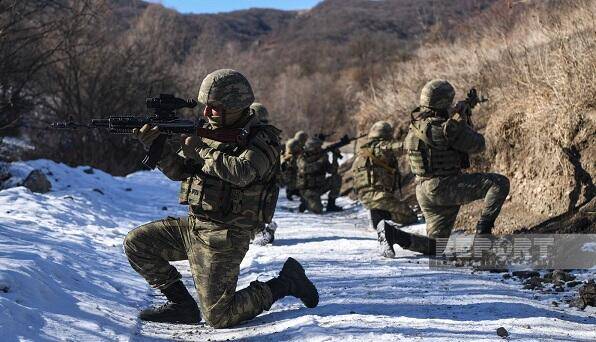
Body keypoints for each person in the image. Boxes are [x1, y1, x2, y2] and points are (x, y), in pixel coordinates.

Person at [124, 69, 318, 328]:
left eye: (214, 108)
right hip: (194, 227)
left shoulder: (263, 139)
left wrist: (201, 150)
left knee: (220, 317)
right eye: (206, 107)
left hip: (226, 235)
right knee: (137, 243)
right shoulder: (207, 131)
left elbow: (244, 173)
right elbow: (181, 171)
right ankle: (181, 305)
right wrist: (155, 148)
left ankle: (286, 282)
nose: (206, 114)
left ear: (236, 106)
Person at [386, 79, 510, 255]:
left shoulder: (414, 128)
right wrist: (463, 121)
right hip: (444, 187)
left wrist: (457, 116)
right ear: (443, 102)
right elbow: (479, 145)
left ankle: (394, 235)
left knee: (435, 246)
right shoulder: (445, 129)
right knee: (499, 183)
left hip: (423, 190)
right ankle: (483, 239)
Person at [352, 120, 418, 258]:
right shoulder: (381, 147)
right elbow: (398, 147)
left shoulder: (363, 151)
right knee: (411, 217)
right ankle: (384, 222)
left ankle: (379, 217)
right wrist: (415, 138)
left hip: (365, 196)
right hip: (379, 196)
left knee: (383, 209)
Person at [296, 137, 343, 214]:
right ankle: (305, 203)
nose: (320, 149)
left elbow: (332, 171)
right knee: (317, 211)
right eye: (318, 147)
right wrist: (321, 161)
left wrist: (335, 158)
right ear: (311, 147)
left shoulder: (322, 156)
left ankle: (331, 205)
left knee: (336, 178)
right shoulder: (302, 157)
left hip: (320, 186)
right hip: (308, 190)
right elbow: (306, 168)